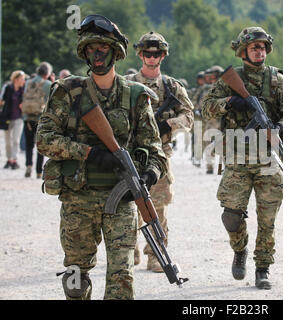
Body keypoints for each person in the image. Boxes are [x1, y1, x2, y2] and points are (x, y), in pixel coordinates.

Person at [36, 14, 168, 300]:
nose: (97, 55)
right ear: (84, 52)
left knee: (122, 277)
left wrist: (149, 174)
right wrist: (89, 153)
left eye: (103, 49)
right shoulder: (67, 93)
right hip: (77, 198)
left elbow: (156, 150)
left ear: (115, 53)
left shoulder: (136, 96)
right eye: (91, 49)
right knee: (75, 277)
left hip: (120, 201)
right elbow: (44, 140)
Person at [202, 27, 283, 289]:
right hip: (237, 158)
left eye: (263, 47)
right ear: (243, 51)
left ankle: (262, 267)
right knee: (231, 216)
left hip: (268, 157)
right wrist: (231, 102)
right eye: (254, 47)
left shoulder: (277, 79)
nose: (260, 51)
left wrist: (280, 128)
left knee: (267, 219)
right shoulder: (230, 79)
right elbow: (206, 105)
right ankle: (240, 249)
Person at [126, 31, 194, 271]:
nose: (151, 58)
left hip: (160, 153)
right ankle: (128, 251)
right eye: (147, 53)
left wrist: (168, 124)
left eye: (156, 54)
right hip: (130, 153)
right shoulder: (127, 83)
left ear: (163, 56)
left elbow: (189, 116)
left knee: (158, 206)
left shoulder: (171, 86)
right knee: (127, 204)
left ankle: (155, 253)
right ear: (140, 54)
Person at [22, 62, 53, 178]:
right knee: (40, 145)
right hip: (40, 118)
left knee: (29, 145)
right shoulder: (48, 84)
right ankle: (39, 171)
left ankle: (28, 165)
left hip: (27, 117)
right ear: (47, 73)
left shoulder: (28, 83)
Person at [1, 70, 26, 169]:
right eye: (22, 79)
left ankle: (14, 159)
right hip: (7, 118)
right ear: (16, 79)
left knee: (15, 140)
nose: (23, 81)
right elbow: (1, 100)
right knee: (8, 141)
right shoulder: (7, 87)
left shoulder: (23, 90)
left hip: (18, 118)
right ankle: (9, 159)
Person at [202, 65, 223, 174]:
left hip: (224, 121)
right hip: (211, 121)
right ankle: (210, 166)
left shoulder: (226, 88)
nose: (211, 79)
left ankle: (224, 167)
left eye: (213, 76)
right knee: (208, 144)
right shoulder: (209, 89)